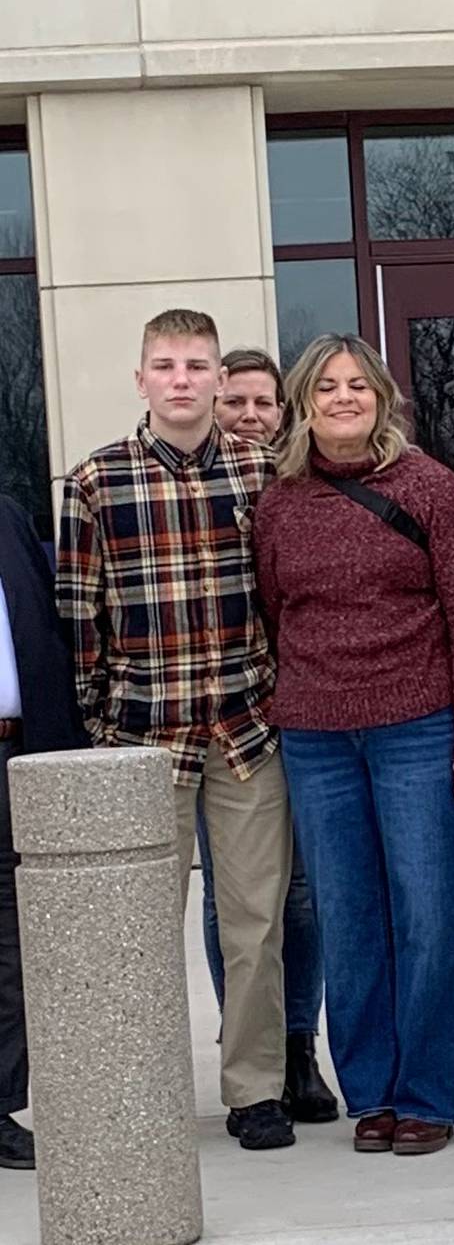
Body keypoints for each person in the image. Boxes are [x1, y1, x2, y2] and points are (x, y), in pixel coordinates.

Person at [56, 310, 296, 1152]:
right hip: (141, 737)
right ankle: (140, 1088)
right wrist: (100, 727)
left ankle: (255, 1089)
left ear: (217, 379)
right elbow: (79, 618)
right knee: (137, 926)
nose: (183, 379)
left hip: (244, 728)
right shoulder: (95, 483)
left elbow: (283, 597)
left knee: (255, 923)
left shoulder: (265, 472)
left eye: (198, 364)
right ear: (142, 379)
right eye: (167, 364)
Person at [255, 334, 454, 1157]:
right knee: (350, 918)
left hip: (419, 730)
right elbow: (274, 610)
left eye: (360, 384)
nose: (345, 397)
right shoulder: (279, 500)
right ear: (305, 403)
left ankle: (426, 1093)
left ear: (384, 397)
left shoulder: (430, 488)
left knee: (429, 914)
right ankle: (372, 1094)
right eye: (328, 386)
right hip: (316, 739)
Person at [199, 346, 337, 1125]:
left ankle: (297, 1046)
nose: (250, 415)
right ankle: (248, 1046)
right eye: (236, 402)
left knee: (304, 896)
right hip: (216, 726)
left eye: (264, 404)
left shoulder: (288, 488)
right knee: (235, 902)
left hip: (294, 711)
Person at [0, 495, 90, 1170]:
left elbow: (49, 632)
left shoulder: (6, 514)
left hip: (18, 756)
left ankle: (0, 1107)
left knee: (12, 943)